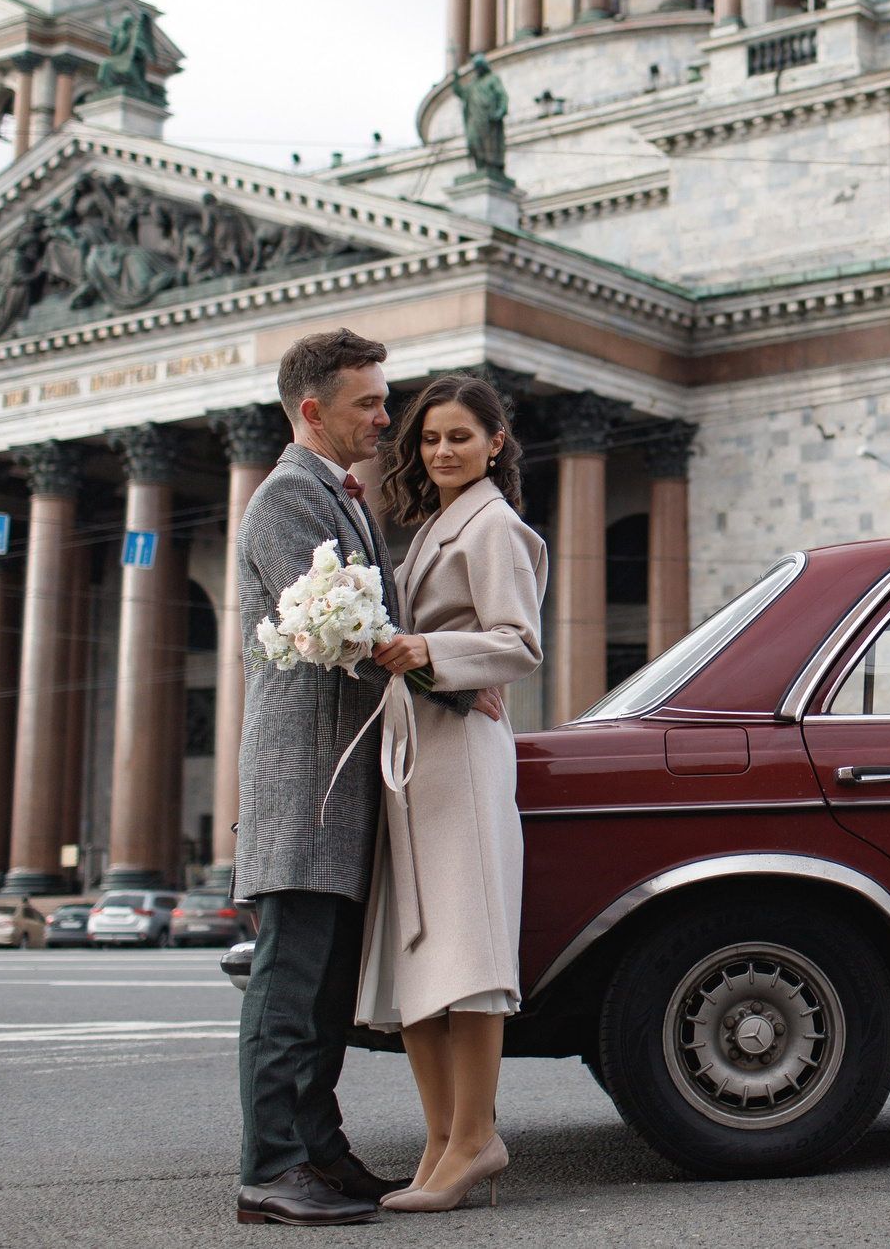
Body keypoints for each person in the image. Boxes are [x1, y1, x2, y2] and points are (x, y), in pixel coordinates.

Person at [232, 328, 412, 1227]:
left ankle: (322, 1151)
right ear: (314, 409)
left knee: (328, 984)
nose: (386, 415)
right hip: (304, 774)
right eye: (369, 402)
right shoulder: (286, 499)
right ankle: (270, 1165)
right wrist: (436, 667)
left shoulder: (337, 493)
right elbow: (344, 629)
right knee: (290, 983)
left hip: (336, 777)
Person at [361, 373, 546, 1212]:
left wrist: (429, 653)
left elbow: (517, 642)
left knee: (466, 950)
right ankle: (442, 1139)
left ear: (495, 442)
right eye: (431, 438)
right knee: (422, 950)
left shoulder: (495, 524)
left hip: (462, 754)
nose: (442, 450)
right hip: (420, 750)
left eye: (460, 437)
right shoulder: (437, 521)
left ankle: (476, 1136)